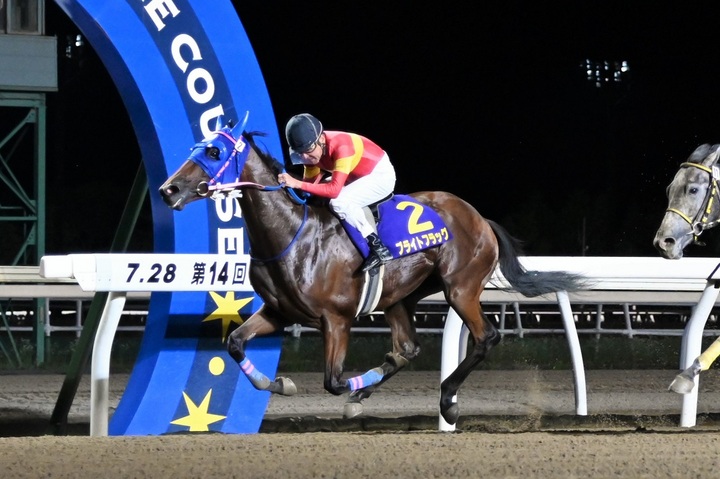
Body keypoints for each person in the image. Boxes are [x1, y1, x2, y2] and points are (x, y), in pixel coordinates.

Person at [278, 113, 396, 272]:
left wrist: (297, 183)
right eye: (300, 153)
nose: (306, 157)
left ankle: (378, 248)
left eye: (309, 150)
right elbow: (309, 186)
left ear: (321, 139)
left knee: (338, 201)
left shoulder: (341, 145)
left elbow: (333, 191)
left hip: (379, 175)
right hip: (353, 175)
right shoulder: (310, 150)